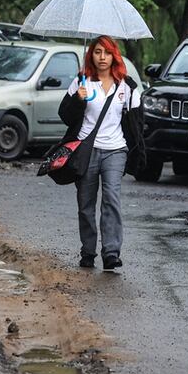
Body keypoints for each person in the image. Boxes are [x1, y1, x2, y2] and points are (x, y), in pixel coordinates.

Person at [58, 36, 145, 271]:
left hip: (115, 150)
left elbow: (137, 124)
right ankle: (88, 251)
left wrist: (138, 155)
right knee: (85, 203)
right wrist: (78, 99)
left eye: (107, 53)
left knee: (111, 199)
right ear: (91, 55)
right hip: (86, 150)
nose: (102, 57)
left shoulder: (127, 86)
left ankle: (111, 253)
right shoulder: (82, 81)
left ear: (114, 55)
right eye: (97, 52)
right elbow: (64, 115)